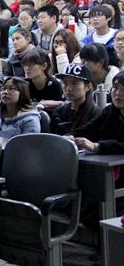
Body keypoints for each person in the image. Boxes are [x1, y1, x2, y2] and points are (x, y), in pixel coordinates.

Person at [69, 71, 124, 231]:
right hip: (106, 175)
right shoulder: (109, 111)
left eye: (123, 90)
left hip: (120, 177)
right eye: (115, 88)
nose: (118, 94)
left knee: (94, 207)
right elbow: (87, 130)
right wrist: (71, 137)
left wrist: (97, 146)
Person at [0, 77, 40, 142]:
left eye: (11, 89)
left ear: (22, 92)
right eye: (3, 88)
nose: (5, 92)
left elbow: (29, 145)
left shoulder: (30, 119)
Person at [50, 64, 100, 135]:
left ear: (88, 87)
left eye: (75, 83)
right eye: (65, 83)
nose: (68, 88)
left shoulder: (96, 114)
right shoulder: (58, 112)